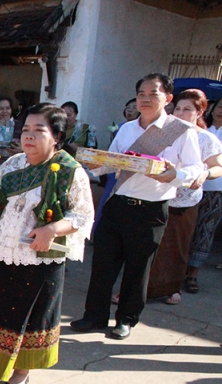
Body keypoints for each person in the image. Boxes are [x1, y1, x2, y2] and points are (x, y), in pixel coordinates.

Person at [0, 104, 94, 384]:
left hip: (41, 258)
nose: (29, 136)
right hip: (6, 252)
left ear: (56, 136)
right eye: (26, 129)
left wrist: (52, 229)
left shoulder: (69, 172)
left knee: (33, 314)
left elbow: (83, 215)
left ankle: (21, 372)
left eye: (39, 130)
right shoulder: (13, 164)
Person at [71, 73, 203, 340]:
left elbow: (194, 168)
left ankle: (126, 319)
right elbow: (116, 162)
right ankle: (94, 316)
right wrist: (95, 164)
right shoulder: (127, 129)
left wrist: (173, 175)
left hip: (151, 210)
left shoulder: (181, 131)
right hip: (118, 204)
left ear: (167, 98)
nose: (145, 99)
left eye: (152, 94)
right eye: (141, 93)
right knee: (103, 264)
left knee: (138, 268)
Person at [166, 90, 222, 296]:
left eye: (187, 109)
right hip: (160, 194)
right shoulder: (165, 132)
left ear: (199, 112)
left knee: (180, 245)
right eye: (178, 109)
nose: (180, 113)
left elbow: (218, 167)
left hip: (187, 199)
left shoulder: (206, 138)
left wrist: (204, 173)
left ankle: (173, 288)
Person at [93, 98, 140, 237]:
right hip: (114, 170)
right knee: (107, 199)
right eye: (128, 107)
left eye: (133, 107)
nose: (130, 109)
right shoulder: (122, 127)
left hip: (132, 175)